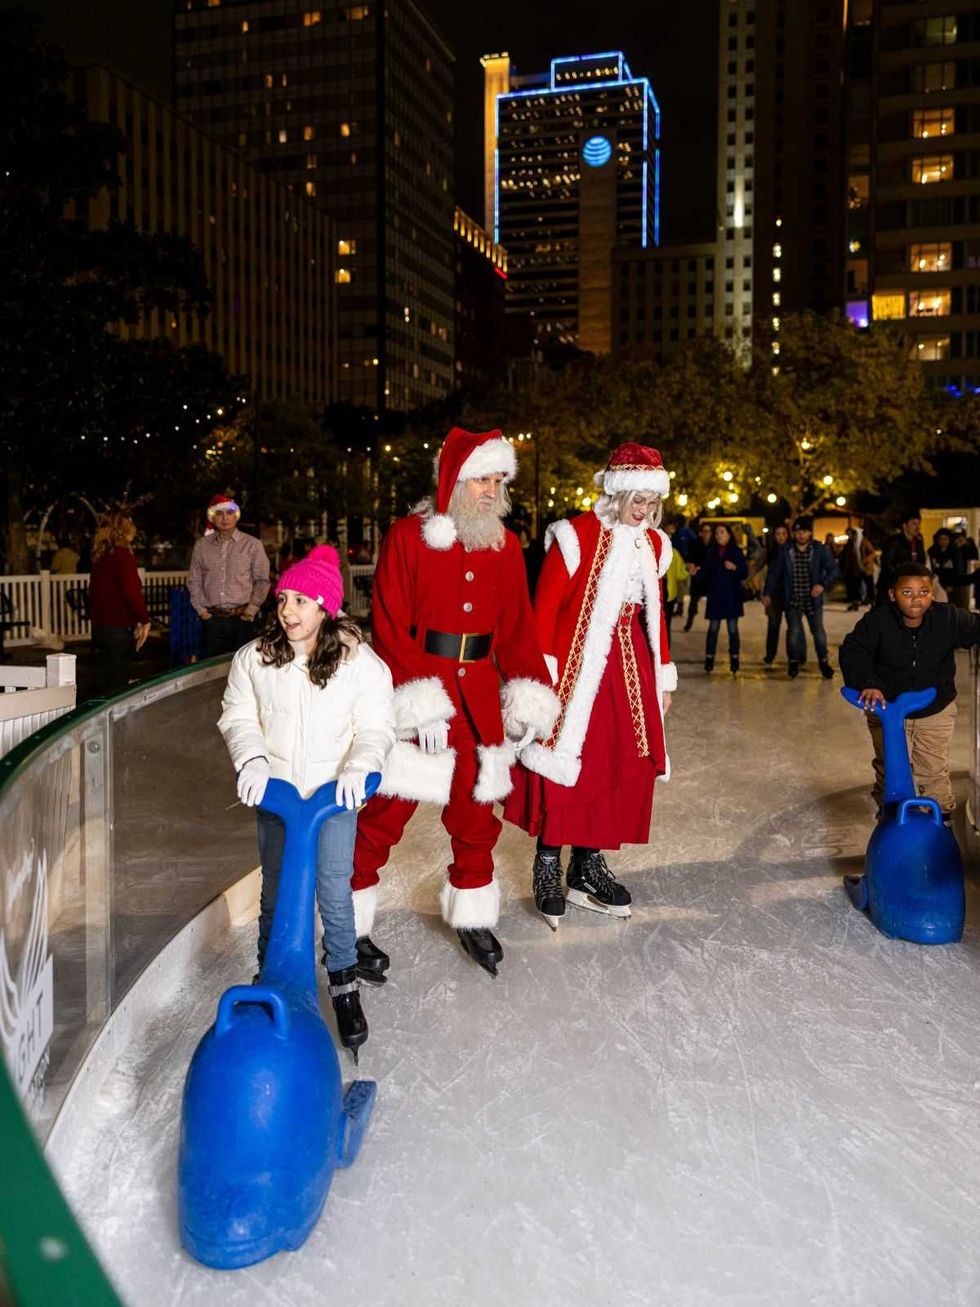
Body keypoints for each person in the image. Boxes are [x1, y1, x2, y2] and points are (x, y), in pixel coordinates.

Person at [349, 427, 559, 979]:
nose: (490, 491)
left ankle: (471, 913)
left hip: (481, 697)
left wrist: (528, 692)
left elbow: (517, 627)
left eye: (497, 480)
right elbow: (389, 626)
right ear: (452, 481)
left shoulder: (506, 545)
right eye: (480, 480)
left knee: (475, 812)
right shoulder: (407, 537)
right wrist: (420, 702)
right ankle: (346, 919)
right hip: (421, 686)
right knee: (384, 811)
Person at [218, 545, 396, 1058]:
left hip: (332, 795)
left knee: (334, 892)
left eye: (301, 600)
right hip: (276, 796)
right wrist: (252, 759)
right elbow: (239, 714)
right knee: (274, 893)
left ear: (326, 606)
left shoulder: (358, 662)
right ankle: (268, 976)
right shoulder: (255, 657)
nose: (289, 611)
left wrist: (360, 766)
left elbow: (376, 724)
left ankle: (343, 982)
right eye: (283, 600)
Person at [504, 443, 676, 928]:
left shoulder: (655, 546)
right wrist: (544, 678)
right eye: (634, 499)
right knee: (569, 761)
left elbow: (654, 616)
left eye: (650, 501)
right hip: (578, 673)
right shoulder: (576, 536)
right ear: (616, 493)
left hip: (631, 666)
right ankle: (547, 861)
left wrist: (662, 672)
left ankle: (588, 863)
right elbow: (545, 609)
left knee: (620, 764)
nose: (642, 510)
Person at [839, 562, 980, 826]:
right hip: (888, 710)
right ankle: (888, 820)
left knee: (932, 770)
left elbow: (976, 627)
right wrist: (867, 682)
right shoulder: (877, 621)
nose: (916, 599)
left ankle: (941, 826)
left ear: (932, 593)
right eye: (907, 592)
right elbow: (853, 651)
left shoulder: (947, 618)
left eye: (924, 592)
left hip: (934, 708)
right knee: (888, 766)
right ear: (892, 595)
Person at [188, 493, 271, 657]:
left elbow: (262, 581)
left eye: (229, 513)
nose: (224, 518)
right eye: (219, 513)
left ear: (236, 516)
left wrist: (250, 611)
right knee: (208, 673)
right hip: (211, 619)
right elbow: (194, 581)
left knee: (241, 670)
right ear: (212, 518)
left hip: (242, 619)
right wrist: (202, 612)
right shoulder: (201, 546)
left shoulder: (252, 545)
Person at [764, 515, 838, 679]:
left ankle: (823, 662)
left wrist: (822, 584)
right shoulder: (785, 550)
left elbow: (834, 569)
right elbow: (774, 574)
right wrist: (767, 593)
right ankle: (793, 663)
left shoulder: (819, 549)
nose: (801, 535)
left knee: (818, 633)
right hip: (792, 599)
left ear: (810, 533)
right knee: (793, 633)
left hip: (813, 600)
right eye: (798, 532)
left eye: (804, 532)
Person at [88, 511, 152, 694]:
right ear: (124, 532)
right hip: (117, 630)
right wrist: (145, 620)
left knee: (108, 678)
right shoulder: (123, 556)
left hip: (101, 627)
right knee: (117, 683)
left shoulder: (102, 556)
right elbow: (130, 592)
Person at [702, 523, 748, 673]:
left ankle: (734, 658)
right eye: (717, 533)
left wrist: (735, 568)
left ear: (729, 535)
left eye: (722, 532)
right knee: (713, 628)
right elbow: (705, 573)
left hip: (731, 596)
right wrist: (695, 572)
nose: (719, 535)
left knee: (732, 628)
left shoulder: (736, 551)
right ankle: (709, 658)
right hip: (715, 595)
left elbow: (744, 572)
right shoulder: (711, 552)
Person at [876, 510, 925, 605]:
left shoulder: (918, 542)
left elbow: (921, 562)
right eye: (914, 523)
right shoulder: (893, 542)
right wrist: (899, 578)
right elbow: (886, 563)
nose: (917, 527)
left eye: (919, 523)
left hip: (910, 586)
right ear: (904, 525)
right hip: (891, 585)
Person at [762, 523, 790, 665]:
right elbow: (770, 575)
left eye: (783, 533)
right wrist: (767, 593)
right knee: (773, 624)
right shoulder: (772, 551)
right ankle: (770, 654)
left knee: (794, 625)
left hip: (791, 593)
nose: (780, 537)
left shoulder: (792, 550)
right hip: (775, 594)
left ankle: (797, 655)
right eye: (777, 534)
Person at [682, 520, 714, 630]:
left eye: (708, 531)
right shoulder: (695, 543)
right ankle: (689, 621)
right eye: (704, 531)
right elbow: (690, 558)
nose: (706, 534)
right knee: (693, 601)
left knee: (713, 601)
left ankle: (713, 624)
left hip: (710, 577)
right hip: (698, 576)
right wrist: (692, 566)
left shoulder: (714, 545)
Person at [927, 528, 963, 602]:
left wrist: (952, 584)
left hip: (952, 585)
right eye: (941, 539)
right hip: (936, 584)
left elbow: (958, 568)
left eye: (945, 539)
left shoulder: (955, 551)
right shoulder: (932, 551)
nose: (943, 542)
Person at [840, 527, 865, 610]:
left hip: (858, 568)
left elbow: (870, 553)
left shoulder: (861, 542)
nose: (849, 535)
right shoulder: (849, 543)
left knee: (858, 586)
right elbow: (846, 556)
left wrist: (863, 562)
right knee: (852, 586)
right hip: (851, 569)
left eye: (851, 534)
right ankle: (854, 601)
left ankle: (857, 601)